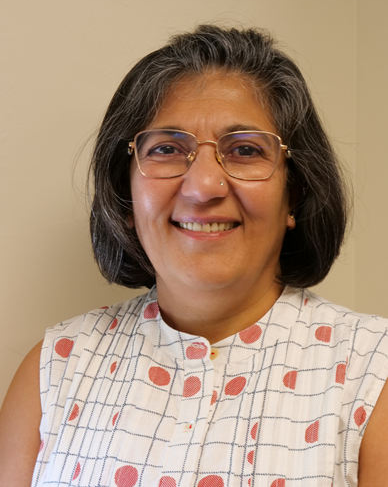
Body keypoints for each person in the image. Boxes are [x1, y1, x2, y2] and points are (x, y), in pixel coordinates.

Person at [0, 25, 387, 487]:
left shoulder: (371, 372)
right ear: (125, 196)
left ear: (294, 196)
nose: (204, 187)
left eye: (245, 150)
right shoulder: (54, 370)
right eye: (167, 149)